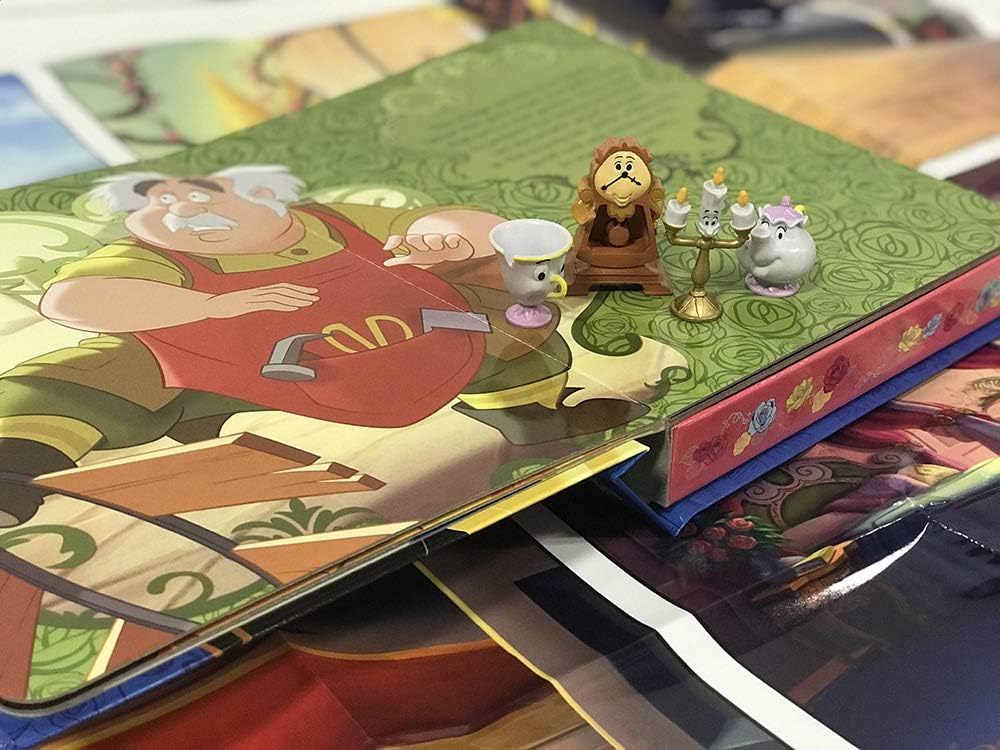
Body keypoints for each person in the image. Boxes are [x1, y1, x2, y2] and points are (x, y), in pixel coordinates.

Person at [0, 165, 646, 526]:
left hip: (418, 338)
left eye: (197, 194)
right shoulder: (147, 254)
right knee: (102, 368)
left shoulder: (331, 219)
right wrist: (212, 306)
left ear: (259, 193)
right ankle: (15, 468)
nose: (181, 208)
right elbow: (75, 300)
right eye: (160, 202)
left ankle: (535, 416)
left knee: (511, 302)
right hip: (243, 367)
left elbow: (463, 223)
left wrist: (446, 236)